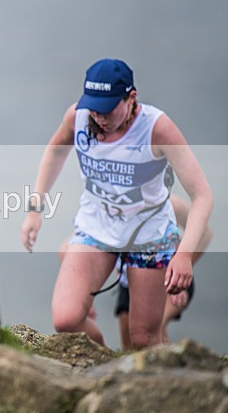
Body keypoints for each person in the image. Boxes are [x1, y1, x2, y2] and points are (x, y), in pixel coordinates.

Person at [21, 58, 212, 349]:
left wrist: (184, 256)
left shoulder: (157, 129)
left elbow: (202, 197)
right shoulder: (79, 117)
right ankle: (103, 363)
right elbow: (56, 150)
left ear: (131, 97)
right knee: (66, 319)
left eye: (107, 109)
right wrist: (36, 208)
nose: (99, 117)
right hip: (96, 229)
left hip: (148, 237)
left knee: (142, 339)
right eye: (94, 108)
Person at [58, 194, 213, 349]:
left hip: (166, 275)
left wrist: (180, 264)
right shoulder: (108, 207)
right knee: (130, 345)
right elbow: (67, 249)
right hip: (128, 282)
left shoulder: (169, 203)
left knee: (152, 333)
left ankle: (171, 368)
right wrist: (81, 295)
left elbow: (205, 233)